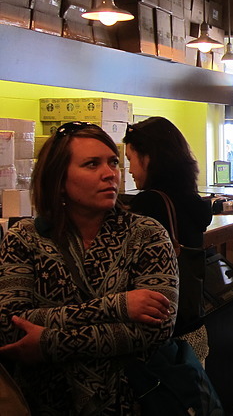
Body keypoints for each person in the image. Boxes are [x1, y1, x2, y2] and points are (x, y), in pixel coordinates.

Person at [0, 121, 177, 414]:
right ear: (58, 177)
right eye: (91, 164)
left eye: (113, 162)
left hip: (133, 399)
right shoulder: (25, 238)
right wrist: (118, 306)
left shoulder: (146, 233)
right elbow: (11, 326)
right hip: (44, 402)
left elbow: (157, 328)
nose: (110, 174)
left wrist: (50, 343)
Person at [123, 116, 213, 364]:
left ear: (149, 157)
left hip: (164, 333)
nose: (129, 170)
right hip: (193, 323)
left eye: (130, 160)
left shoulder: (149, 204)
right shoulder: (190, 199)